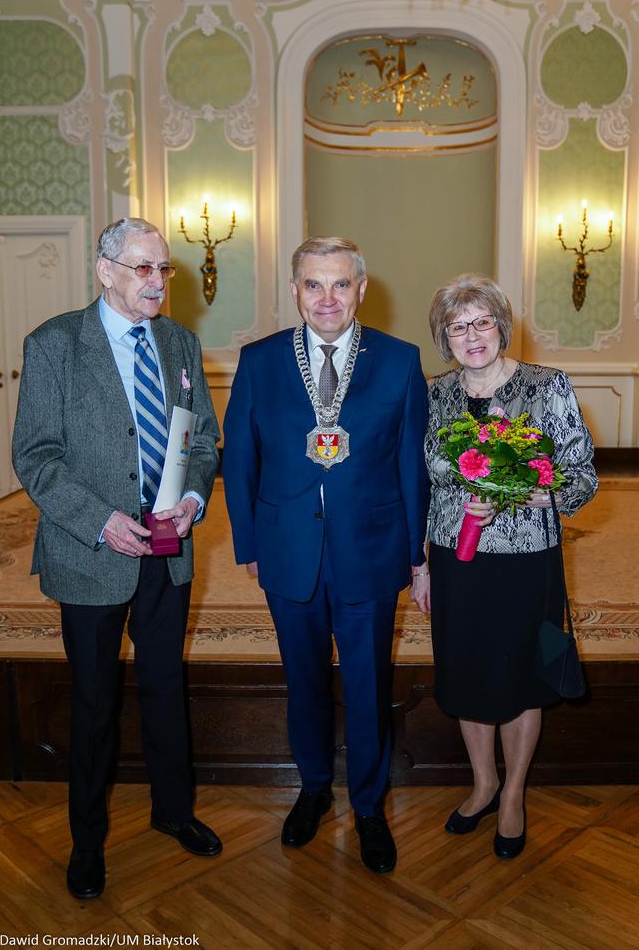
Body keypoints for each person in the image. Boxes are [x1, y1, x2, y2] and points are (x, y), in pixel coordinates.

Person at [12, 218, 222, 900]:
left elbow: (204, 441)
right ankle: (86, 839)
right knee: (95, 701)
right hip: (90, 551)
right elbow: (35, 455)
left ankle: (173, 811)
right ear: (105, 270)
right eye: (143, 268)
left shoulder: (181, 341)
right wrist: (100, 521)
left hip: (168, 550)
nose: (158, 282)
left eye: (164, 269)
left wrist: (191, 498)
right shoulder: (53, 345)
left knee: (166, 685)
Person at [222, 236, 430, 873]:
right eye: (314, 284)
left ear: (362, 290)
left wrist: (416, 554)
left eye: (341, 284)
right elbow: (239, 456)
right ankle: (313, 789)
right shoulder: (259, 361)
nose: (328, 298)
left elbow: (411, 466)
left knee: (368, 685)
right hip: (288, 550)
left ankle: (368, 807)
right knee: (304, 680)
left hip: (370, 548)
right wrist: (250, 545)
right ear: (295, 291)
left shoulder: (398, 361)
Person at [412, 272, 598, 859]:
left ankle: (513, 792)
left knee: (521, 676)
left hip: (525, 561)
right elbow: (422, 485)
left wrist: (541, 493)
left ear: (501, 326)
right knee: (467, 671)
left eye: (482, 322)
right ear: (444, 337)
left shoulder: (546, 386)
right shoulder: (434, 393)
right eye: (457, 326)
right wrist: (421, 566)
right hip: (455, 557)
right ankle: (483, 782)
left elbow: (582, 475)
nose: (472, 335)